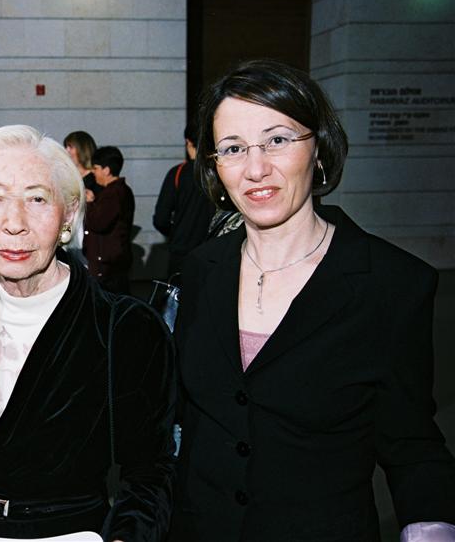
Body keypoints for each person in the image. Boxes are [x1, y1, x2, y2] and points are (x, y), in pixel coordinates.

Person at [169, 59, 455, 541]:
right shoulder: (201, 270)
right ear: (215, 165)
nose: (256, 169)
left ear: (318, 146)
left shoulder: (390, 284)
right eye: (234, 148)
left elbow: (411, 444)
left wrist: (430, 528)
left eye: (277, 140)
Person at [0, 125, 176, 541]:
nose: (15, 223)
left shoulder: (127, 329)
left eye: (37, 199)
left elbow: (149, 472)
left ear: (68, 214)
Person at [152, 120, 215, 278]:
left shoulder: (177, 173)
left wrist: (176, 233)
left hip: (181, 251)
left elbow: (160, 219)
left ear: (188, 142)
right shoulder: (217, 172)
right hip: (212, 250)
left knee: (178, 291)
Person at [83, 146, 136, 294]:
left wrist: (89, 204)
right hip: (111, 263)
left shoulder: (113, 194)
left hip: (108, 265)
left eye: (96, 168)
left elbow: (99, 222)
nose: (93, 172)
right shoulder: (118, 191)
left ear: (106, 170)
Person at [64, 130, 102, 197]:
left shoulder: (97, 178)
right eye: (66, 147)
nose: (67, 150)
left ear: (82, 150)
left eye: (70, 147)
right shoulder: (66, 176)